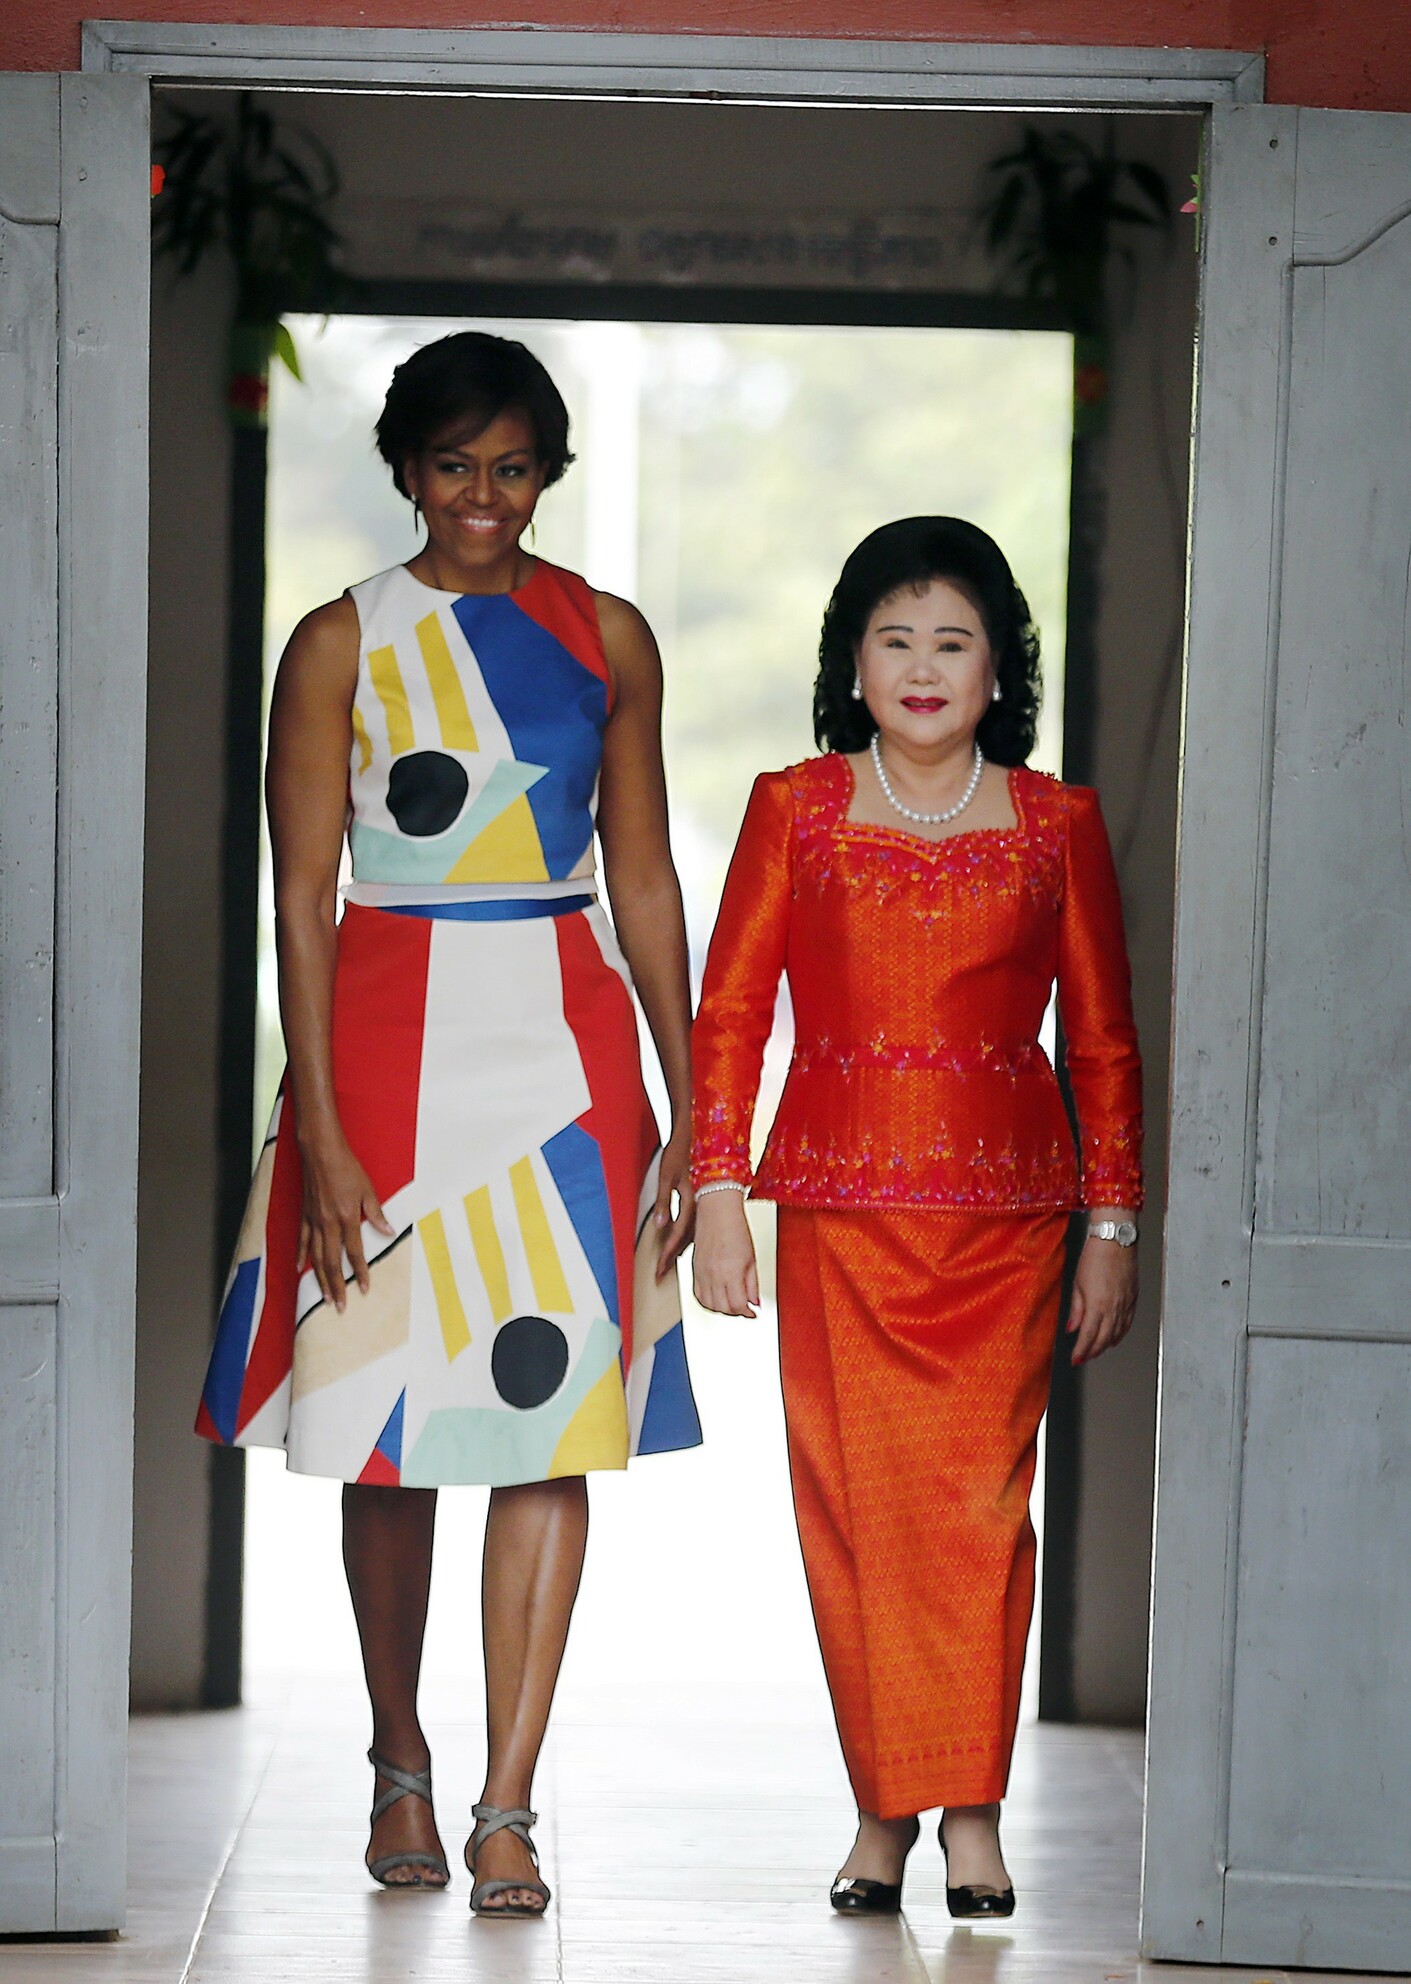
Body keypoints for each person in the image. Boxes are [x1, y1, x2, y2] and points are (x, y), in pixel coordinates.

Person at [196, 331, 701, 1917]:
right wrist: (324, 1129)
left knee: (548, 1430)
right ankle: (399, 1760)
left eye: (514, 467)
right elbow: (300, 898)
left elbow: (644, 877)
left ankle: (507, 1806)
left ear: (548, 475)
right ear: (408, 470)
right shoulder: (337, 641)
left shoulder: (605, 635)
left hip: (565, 1055)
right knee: (392, 1428)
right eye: (455, 464)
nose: (484, 494)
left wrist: (696, 1105)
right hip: (383, 1048)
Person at [690, 516, 1141, 1918]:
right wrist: (718, 1191)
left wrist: (1114, 1226)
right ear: (855, 663)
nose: (925, 667)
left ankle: (975, 1818)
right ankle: (883, 1815)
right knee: (857, 1520)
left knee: (979, 1521)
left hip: (1007, 1228)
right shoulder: (795, 808)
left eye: (954, 641)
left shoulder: (1058, 824)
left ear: (1001, 670)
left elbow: (1104, 1042)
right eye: (896, 640)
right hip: (837, 1215)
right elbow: (729, 1011)